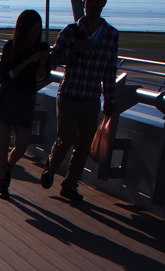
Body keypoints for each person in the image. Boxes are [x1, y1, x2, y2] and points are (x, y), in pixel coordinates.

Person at [40, 0, 119, 202]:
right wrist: (73, 50)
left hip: (91, 98)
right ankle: (50, 167)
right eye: (89, 1)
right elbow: (52, 59)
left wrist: (109, 99)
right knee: (65, 138)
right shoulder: (71, 31)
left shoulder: (111, 35)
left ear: (104, 3)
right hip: (69, 94)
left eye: (97, 1)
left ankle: (70, 185)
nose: (93, 5)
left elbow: (109, 71)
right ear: (84, 3)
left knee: (83, 146)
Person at [0, 10, 50, 200]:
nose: (34, 35)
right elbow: (7, 74)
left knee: (22, 143)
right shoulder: (11, 47)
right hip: (9, 97)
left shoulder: (42, 47)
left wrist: (42, 62)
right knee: (3, 142)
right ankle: (2, 182)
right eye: (30, 30)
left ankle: (9, 166)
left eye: (37, 30)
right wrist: (29, 60)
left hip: (26, 99)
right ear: (22, 29)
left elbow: (41, 78)